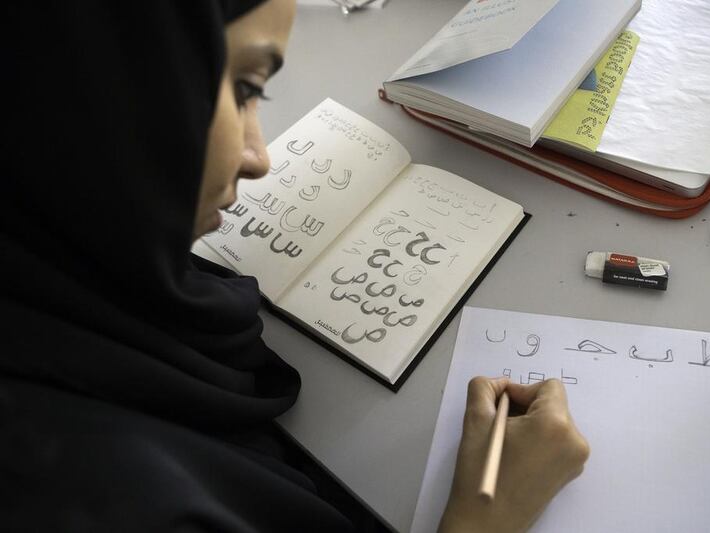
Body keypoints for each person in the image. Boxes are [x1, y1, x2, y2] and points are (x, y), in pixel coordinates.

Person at [0, 1, 589, 531]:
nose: (260, 157)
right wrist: (485, 515)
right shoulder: (106, 493)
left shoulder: (70, 268)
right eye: (240, 87)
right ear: (81, 99)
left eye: (258, 94)